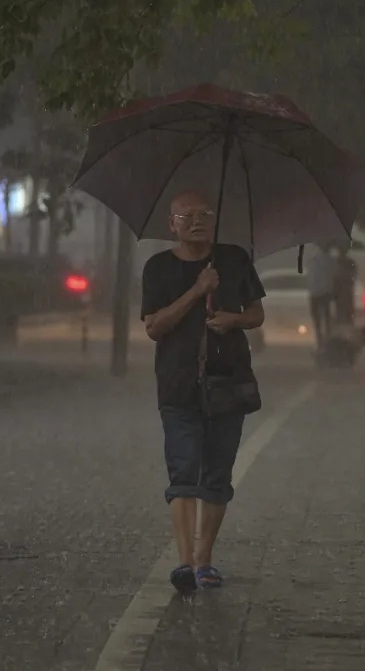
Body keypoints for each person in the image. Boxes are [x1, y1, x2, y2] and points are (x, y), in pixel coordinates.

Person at [140, 190, 266, 595]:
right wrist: (197, 290)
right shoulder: (158, 267)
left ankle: (205, 560)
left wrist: (234, 319)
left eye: (205, 213)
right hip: (178, 386)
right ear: (171, 224)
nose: (197, 220)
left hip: (227, 382)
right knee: (182, 471)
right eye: (187, 215)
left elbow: (257, 314)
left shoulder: (234, 259)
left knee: (216, 474)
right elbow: (155, 327)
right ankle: (185, 563)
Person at [306, 243, 336, 349]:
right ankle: (324, 339)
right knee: (325, 318)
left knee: (318, 318)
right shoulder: (329, 260)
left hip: (316, 293)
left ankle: (321, 339)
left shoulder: (314, 259)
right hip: (323, 293)